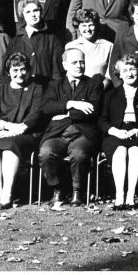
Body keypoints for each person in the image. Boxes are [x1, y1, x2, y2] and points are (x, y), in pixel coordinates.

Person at [38, 48, 102, 207]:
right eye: (74, 62)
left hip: (83, 133)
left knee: (78, 153)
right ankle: (57, 189)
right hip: (58, 134)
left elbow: (93, 111)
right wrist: (72, 104)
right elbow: (46, 108)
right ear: (65, 64)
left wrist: (65, 114)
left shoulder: (93, 84)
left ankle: (77, 191)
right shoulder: (55, 85)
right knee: (46, 152)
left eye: (82, 62)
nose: (79, 66)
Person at [0, 52, 44, 209]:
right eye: (15, 70)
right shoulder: (0, 90)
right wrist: (8, 127)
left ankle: (7, 194)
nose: (19, 74)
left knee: (10, 146)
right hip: (4, 130)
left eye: (23, 69)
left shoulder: (35, 89)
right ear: (8, 72)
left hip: (27, 133)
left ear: (28, 70)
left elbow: (35, 115)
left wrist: (19, 129)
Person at [99, 54, 138, 210]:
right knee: (121, 150)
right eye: (125, 70)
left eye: (132, 69)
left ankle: (130, 196)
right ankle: (119, 196)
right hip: (116, 134)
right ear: (119, 74)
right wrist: (116, 131)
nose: (129, 73)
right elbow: (102, 120)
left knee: (135, 151)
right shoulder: (110, 95)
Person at [7, 0, 64, 86]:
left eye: (35, 10)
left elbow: (57, 71)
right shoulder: (15, 41)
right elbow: (7, 71)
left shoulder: (51, 39)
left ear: (40, 12)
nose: (33, 15)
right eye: (28, 12)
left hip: (45, 90)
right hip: (23, 92)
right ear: (23, 15)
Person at [64, 10, 115, 90]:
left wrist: (100, 89)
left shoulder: (108, 46)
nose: (87, 29)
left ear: (96, 26)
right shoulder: (71, 46)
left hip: (100, 90)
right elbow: (68, 73)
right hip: (77, 91)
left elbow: (110, 73)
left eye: (90, 25)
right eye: (84, 25)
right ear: (78, 27)